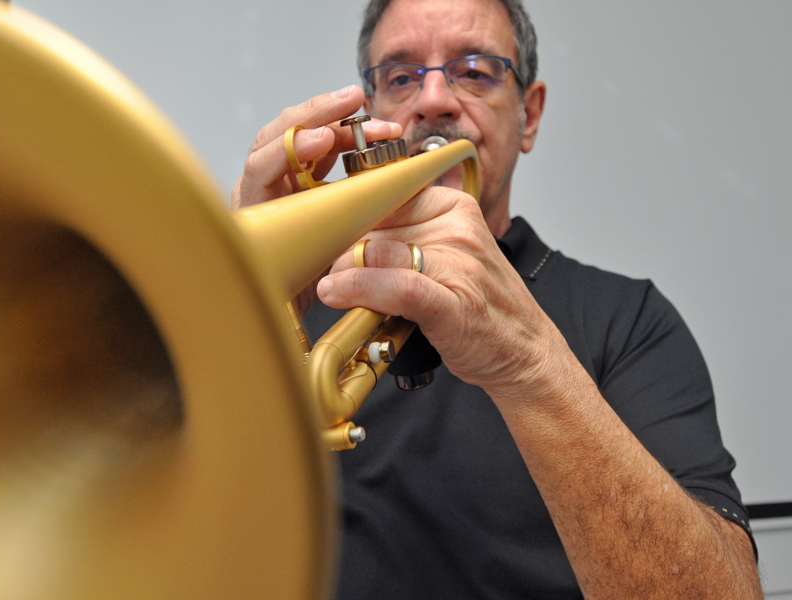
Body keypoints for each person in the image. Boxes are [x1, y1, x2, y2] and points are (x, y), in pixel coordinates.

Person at [232, 0, 764, 598]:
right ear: (369, 113)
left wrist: (530, 365)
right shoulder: (301, 304)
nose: (432, 100)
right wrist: (237, 308)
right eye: (401, 77)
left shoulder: (629, 320)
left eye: (475, 70)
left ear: (529, 115)